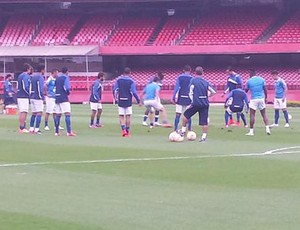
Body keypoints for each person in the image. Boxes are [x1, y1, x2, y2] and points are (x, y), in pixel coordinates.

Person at [180, 66, 216, 142]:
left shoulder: (193, 81)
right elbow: (214, 91)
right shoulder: (206, 82)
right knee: (204, 121)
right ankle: (203, 137)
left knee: (186, 115)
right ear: (203, 73)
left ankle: (183, 132)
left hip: (196, 103)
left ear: (195, 73)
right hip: (205, 103)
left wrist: (192, 100)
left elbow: (190, 92)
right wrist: (208, 95)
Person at [113, 67, 140, 137]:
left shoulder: (118, 80)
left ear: (123, 73)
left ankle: (123, 130)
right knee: (128, 116)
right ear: (130, 73)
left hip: (120, 99)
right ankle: (127, 132)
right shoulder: (131, 81)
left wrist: (115, 98)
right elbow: (134, 92)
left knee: (121, 116)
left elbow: (114, 90)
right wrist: (138, 100)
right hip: (128, 100)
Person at [245, 69, 270, 136]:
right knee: (264, 114)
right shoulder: (262, 79)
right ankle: (267, 129)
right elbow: (265, 89)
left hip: (254, 99)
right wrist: (266, 97)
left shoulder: (249, 81)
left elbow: (246, 90)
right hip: (261, 98)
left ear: (250, 74)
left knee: (252, 115)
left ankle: (251, 131)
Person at [54, 67, 76, 136]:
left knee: (58, 114)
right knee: (67, 114)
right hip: (63, 97)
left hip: (57, 97)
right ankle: (69, 131)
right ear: (67, 71)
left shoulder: (57, 78)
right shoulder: (66, 78)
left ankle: (57, 132)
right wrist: (68, 93)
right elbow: (67, 87)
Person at [172, 65, 193, 132]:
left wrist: (173, 97)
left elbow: (176, 88)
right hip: (188, 98)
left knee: (178, 114)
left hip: (180, 97)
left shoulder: (179, 77)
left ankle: (175, 129)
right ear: (190, 70)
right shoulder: (192, 78)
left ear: (183, 70)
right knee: (188, 114)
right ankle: (189, 129)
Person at [29, 65, 45, 134]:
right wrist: (42, 96)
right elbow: (40, 88)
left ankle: (31, 128)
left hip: (32, 97)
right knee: (39, 112)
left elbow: (29, 87)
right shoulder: (40, 77)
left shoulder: (32, 76)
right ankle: (37, 129)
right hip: (37, 97)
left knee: (34, 113)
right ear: (42, 70)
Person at [17, 63, 32, 134]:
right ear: (27, 69)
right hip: (23, 96)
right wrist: (29, 93)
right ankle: (22, 127)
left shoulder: (20, 76)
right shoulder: (25, 76)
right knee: (24, 111)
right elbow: (25, 86)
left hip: (20, 96)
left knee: (22, 111)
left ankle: (22, 127)